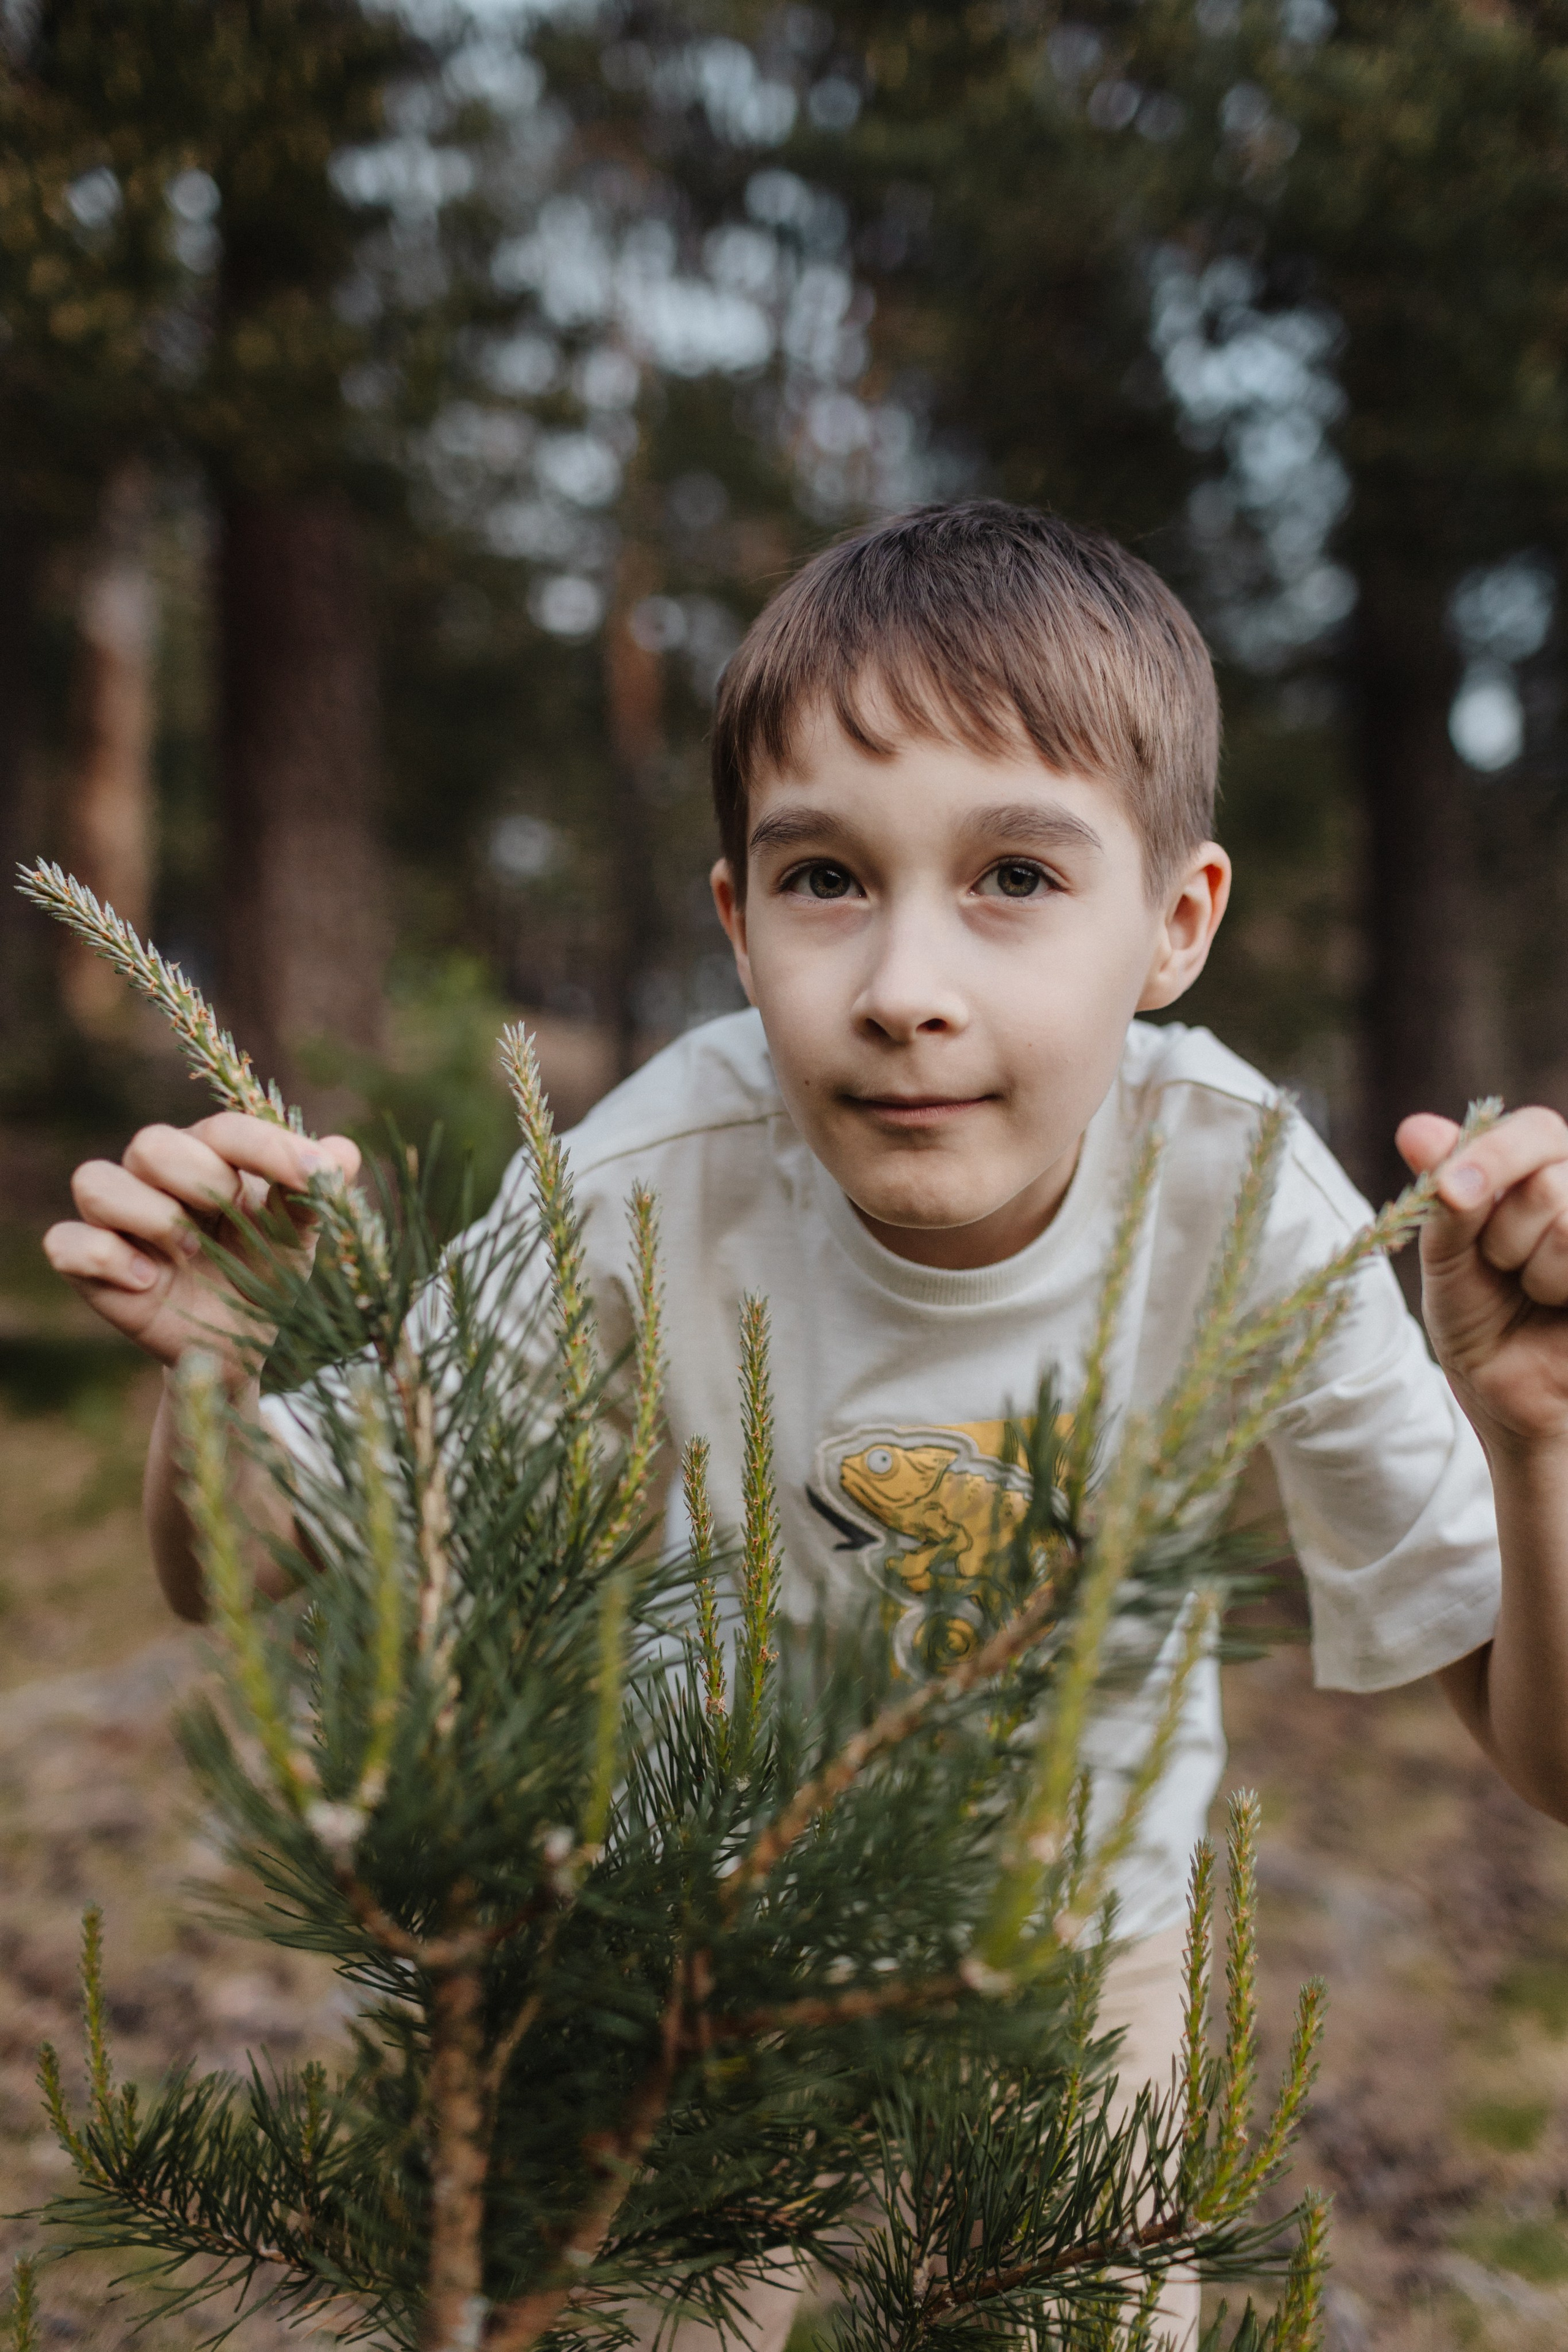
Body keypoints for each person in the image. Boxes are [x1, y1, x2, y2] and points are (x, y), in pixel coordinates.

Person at [42, 502, 1568, 2346]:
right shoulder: (633, 1187)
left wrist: (1536, 1442)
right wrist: (219, 1367)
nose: (906, 984)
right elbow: (253, 1554)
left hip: (1081, 1969)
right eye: (825, 878)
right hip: (689, 1951)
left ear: (1175, 924)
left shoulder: (1240, 1199)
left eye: (1017, 876)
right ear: (738, 922)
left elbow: (1531, 1736)